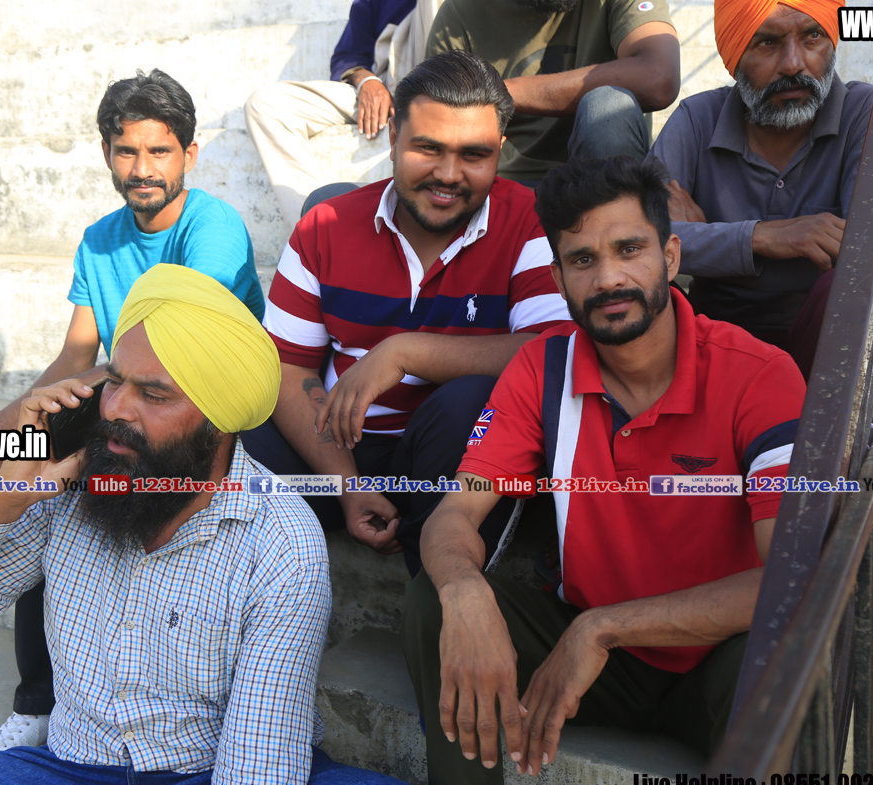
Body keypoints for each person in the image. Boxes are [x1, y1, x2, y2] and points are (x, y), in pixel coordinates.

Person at [0, 265, 431, 785]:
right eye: (114, 382)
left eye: (153, 395)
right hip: (68, 772)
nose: (116, 409)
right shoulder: (70, 485)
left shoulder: (280, 539)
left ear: (218, 422)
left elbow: (258, 764)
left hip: (209, 775)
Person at [0, 68, 266, 760]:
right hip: (126, 403)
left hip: (205, 411)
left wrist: (49, 416)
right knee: (46, 474)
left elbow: (174, 356)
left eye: (159, 151)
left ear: (190, 155)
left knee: (67, 443)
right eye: (126, 151)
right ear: (107, 153)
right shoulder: (99, 239)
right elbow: (74, 357)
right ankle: (33, 703)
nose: (142, 169)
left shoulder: (213, 227)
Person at [401, 155, 808, 785]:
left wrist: (602, 628)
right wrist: (462, 588)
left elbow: (789, 582)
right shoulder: (542, 369)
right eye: (583, 259)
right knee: (435, 599)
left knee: (783, 667)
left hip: (716, 656)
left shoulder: (758, 374)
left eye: (629, 250)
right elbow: (455, 513)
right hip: (597, 661)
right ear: (558, 277)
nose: (609, 278)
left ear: (670, 256)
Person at [244, 51, 570, 576]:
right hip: (337, 450)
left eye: (474, 155)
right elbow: (287, 366)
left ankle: (442, 595)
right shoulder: (324, 227)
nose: (448, 175)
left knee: (472, 403)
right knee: (230, 435)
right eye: (428, 148)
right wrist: (348, 487)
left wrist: (405, 352)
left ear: (501, 150)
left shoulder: (529, 221)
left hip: (456, 455)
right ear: (393, 135)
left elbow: (556, 350)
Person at [647, 0, 873, 379]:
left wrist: (703, 239)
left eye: (812, 37)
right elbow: (642, 243)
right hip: (711, 343)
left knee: (844, 287)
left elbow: (868, 249)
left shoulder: (864, 112)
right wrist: (761, 238)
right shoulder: (697, 119)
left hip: (819, 349)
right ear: (734, 56)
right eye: (767, 42)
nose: (793, 64)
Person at [424, 0, 679, 185]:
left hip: (610, 182)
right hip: (509, 187)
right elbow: (437, 121)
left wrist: (499, 91)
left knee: (609, 105)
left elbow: (658, 78)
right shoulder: (460, 13)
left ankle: (617, 227)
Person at [246, 0, 444, 232]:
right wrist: (365, 79)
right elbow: (348, 55)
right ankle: (315, 233)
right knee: (265, 105)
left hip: (441, 87)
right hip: (385, 89)